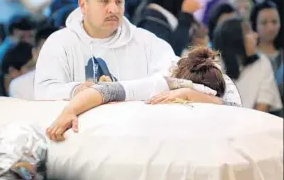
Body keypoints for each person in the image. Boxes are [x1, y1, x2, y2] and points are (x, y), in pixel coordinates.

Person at [34, 0, 241, 105]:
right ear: (83, 5)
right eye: (104, 1)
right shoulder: (60, 43)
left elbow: (172, 77)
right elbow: (44, 91)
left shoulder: (146, 42)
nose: (113, 9)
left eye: (119, 1)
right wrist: (77, 89)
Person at [46, 47, 231, 141]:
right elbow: (105, 90)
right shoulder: (161, 85)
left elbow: (235, 109)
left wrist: (189, 94)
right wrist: (69, 110)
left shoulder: (223, 87)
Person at [213, 17, 282, 115]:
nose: (255, 35)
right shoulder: (213, 66)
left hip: (254, 124)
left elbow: (264, 104)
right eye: (248, 32)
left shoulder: (262, 62)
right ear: (235, 39)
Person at [9, 26, 57, 99]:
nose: (52, 57)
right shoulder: (19, 85)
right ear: (34, 53)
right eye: (45, 51)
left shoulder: (77, 82)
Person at [250, 0, 283, 103]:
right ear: (255, 25)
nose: (270, 27)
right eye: (264, 23)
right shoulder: (250, 57)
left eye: (274, 22)